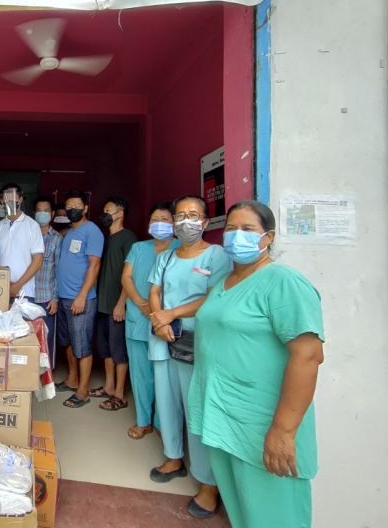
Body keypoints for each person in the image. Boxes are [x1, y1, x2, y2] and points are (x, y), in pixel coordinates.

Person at [188, 200, 324, 527]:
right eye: (231, 229)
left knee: (274, 516)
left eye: (247, 229)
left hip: (262, 424)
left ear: (268, 237)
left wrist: (283, 430)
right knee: (243, 513)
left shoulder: (283, 282)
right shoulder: (225, 283)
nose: (236, 236)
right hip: (224, 420)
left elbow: (308, 355)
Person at [148, 195, 231, 518]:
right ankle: (173, 456)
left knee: (196, 410)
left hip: (195, 341)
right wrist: (159, 318)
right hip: (163, 337)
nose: (185, 221)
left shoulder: (216, 255)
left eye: (193, 215)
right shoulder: (167, 256)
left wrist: (170, 314)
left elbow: (214, 295)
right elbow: (154, 289)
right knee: (166, 401)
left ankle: (208, 483)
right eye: (180, 216)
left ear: (205, 222)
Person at [120, 202, 178, 439]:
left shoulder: (181, 248)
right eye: (155, 219)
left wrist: (158, 312)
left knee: (165, 377)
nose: (160, 223)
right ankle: (144, 421)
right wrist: (141, 303)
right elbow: (126, 277)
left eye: (165, 219)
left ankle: (163, 423)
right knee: (141, 374)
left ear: (175, 224)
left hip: (166, 320)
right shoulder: (138, 247)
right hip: (137, 316)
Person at [55, 190, 104, 409]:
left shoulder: (92, 231)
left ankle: (83, 391)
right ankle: (72, 379)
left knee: (82, 346)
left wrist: (82, 295)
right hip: (63, 297)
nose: (73, 209)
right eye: (69, 206)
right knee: (67, 342)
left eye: (77, 206)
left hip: (80, 299)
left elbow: (94, 265)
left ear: (85, 208)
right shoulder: (68, 233)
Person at [91, 197, 137, 411]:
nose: (105, 214)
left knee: (119, 351)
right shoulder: (105, 239)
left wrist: (121, 304)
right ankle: (109, 387)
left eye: (108, 210)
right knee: (105, 348)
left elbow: (132, 275)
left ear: (120, 213)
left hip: (116, 305)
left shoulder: (128, 238)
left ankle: (120, 393)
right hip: (101, 303)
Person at [0, 183, 44, 299]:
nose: (10, 201)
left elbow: (38, 260)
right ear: (1, 201)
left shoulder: (32, 226)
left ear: (20, 199)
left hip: (25, 292)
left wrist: (18, 285)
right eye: (6, 198)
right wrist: (4, 282)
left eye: (14, 198)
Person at [32, 195, 62, 368]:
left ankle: (46, 374)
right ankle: (26, 374)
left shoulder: (57, 239)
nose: (42, 214)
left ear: (52, 214)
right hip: (26, 295)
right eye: (39, 211)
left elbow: (58, 270)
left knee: (46, 338)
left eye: (46, 211)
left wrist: (55, 297)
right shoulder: (27, 235)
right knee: (26, 336)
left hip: (46, 297)